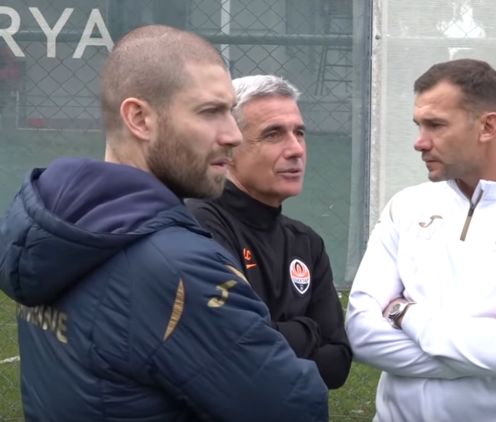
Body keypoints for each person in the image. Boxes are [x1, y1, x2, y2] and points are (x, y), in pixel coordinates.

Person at [0, 25, 327, 421]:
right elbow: (293, 406)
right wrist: (308, 336)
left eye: (230, 111)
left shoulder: (60, 224)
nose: (233, 135)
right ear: (139, 118)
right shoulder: (177, 264)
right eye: (210, 112)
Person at [345, 58, 496, 421]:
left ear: (488, 126)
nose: (419, 142)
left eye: (435, 125)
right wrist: (481, 357)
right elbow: (362, 335)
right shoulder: (406, 206)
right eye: (418, 125)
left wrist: (404, 313)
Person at [187, 74, 352, 389]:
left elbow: (337, 364)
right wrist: (309, 330)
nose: (295, 149)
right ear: (228, 146)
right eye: (273, 134)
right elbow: (232, 351)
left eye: (299, 133)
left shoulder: (307, 243)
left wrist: (271, 333)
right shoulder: (199, 224)